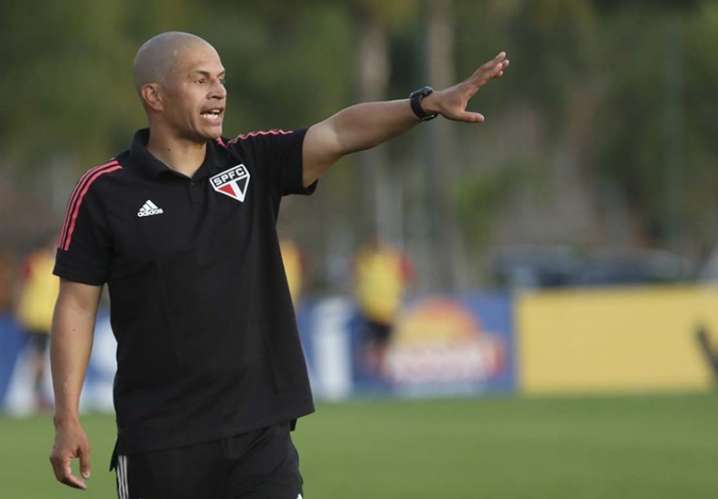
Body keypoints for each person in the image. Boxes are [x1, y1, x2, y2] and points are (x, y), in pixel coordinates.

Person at [49, 31, 508, 498]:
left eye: (221, 79)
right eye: (199, 79)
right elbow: (76, 307)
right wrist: (66, 417)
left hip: (260, 435)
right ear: (154, 95)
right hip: (159, 444)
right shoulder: (103, 192)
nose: (218, 91)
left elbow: (340, 132)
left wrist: (424, 105)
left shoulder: (250, 162)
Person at [354, 239, 414, 377]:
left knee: (383, 344)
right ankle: (370, 372)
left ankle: (379, 372)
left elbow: (407, 272)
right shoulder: (367, 260)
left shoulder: (391, 260)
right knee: (371, 344)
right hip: (372, 309)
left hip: (387, 310)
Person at [16, 237, 59, 411]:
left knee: (43, 357)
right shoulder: (36, 262)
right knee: (39, 357)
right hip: (36, 318)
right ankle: (38, 395)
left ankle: (40, 394)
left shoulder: (57, 264)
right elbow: (21, 286)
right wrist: (19, 307)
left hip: (49, 319)